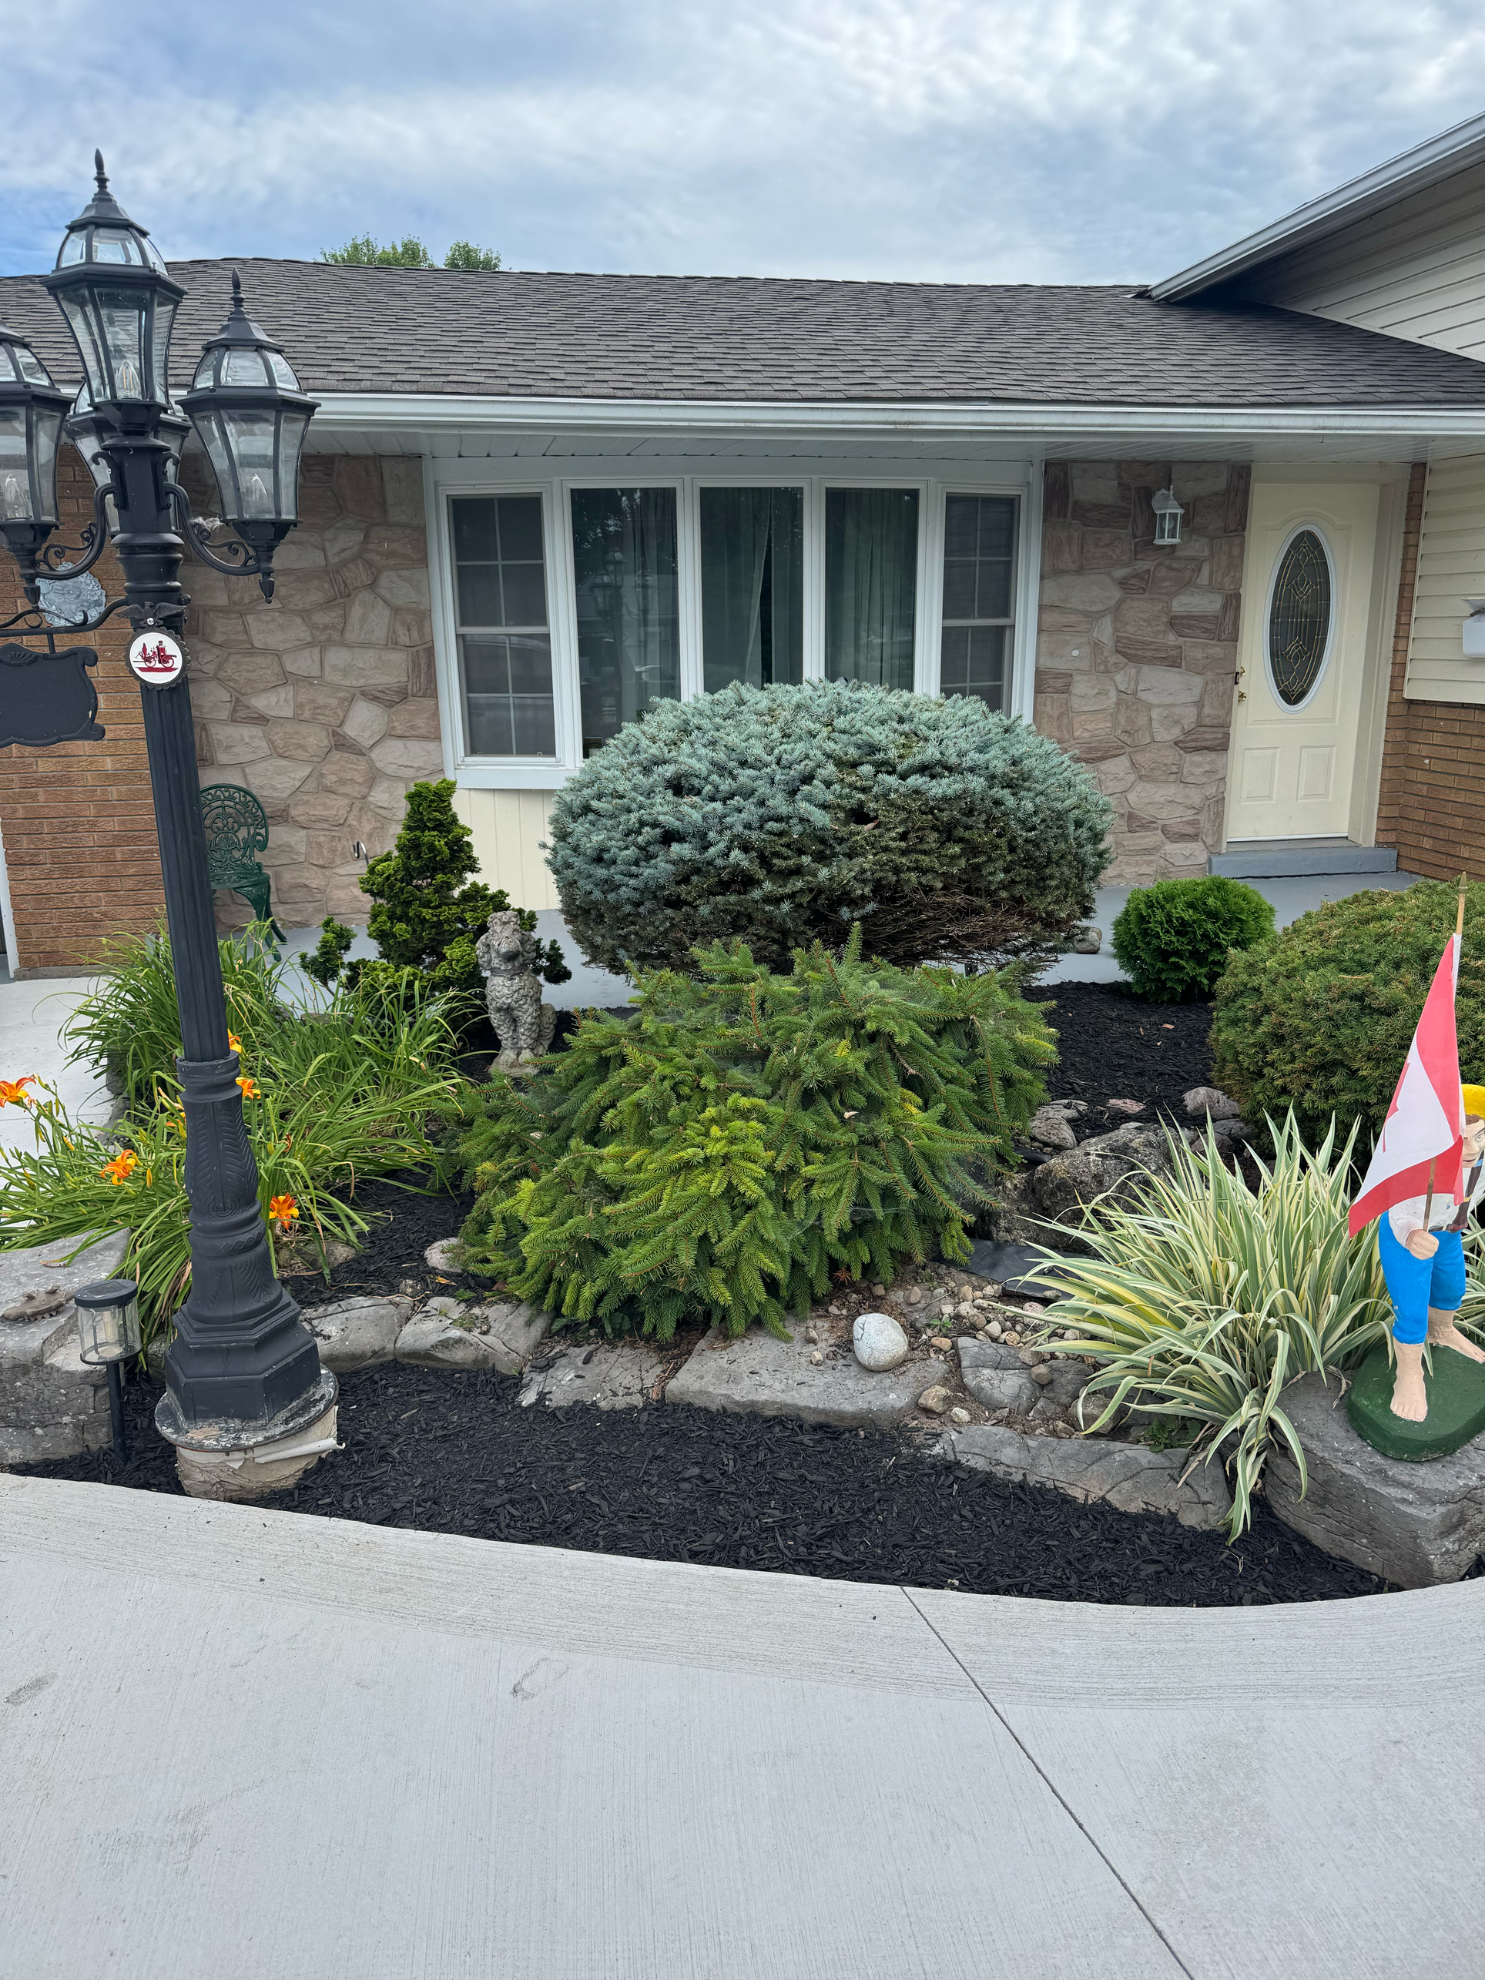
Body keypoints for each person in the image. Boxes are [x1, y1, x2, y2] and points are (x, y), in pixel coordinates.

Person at [1380, 1082, 1485, 1420]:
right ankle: (1409, 1373)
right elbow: (1397, 1208)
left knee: (1452, 1287)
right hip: (1409, 1237)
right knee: (1412, 1308)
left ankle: (1442, 1331)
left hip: (1450, 1230)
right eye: (1460, 1138)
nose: (1471, 1147)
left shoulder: (1482, 1160)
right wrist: (1411, 1234)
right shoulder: (1418, 1164)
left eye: (1480, 1136)